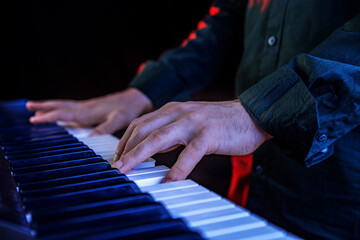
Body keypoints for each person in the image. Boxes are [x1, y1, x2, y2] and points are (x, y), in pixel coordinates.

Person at [26, 0, 360, 239]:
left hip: (336, 206)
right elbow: (225, 23)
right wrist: (142, 93)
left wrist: (257, 112)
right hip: (248, 191)